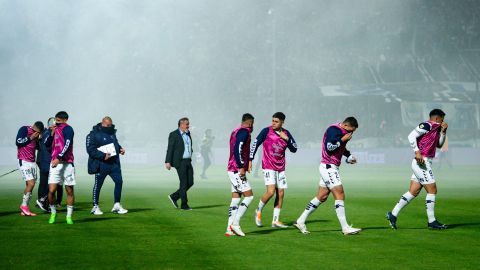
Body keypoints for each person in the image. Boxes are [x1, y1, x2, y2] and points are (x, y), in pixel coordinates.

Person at [293, 117, 362, 235]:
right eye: (351, 130)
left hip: (329, 166)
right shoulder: (334, 130)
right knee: (339, 193)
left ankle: (300, 220)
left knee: (322, 196)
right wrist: (342, 140)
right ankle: (345, 228)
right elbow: (329, 147)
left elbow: (340, 147)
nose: (351, 133)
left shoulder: (340, 132)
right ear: (345, 126)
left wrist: (348, 155)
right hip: (329, 166)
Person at [387, 109, 448, 230]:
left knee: (413, 192)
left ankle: (393, 214)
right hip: (422, 161)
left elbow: (439, 145)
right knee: (432, 190)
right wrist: (417, 152)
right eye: (442, 119)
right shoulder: (427, 125)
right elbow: (411, 136)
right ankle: (432, 221)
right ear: (437, 118)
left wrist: (444, 132)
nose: (443, 121)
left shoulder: (436, 129)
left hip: (424, 162)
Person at [249, 112, 297, 228]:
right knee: (271, 192)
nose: (273, 123)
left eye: (276, 121)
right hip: (268, 166)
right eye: (273, 121)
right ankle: (258, 211)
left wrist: (287, 140)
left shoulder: (286, 133)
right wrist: (250, 159)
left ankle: (275, 220)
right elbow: (255, 144)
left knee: (280, 193)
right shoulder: (266, 131)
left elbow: (294, 148)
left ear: (282, 122)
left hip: (280, 168)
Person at [86, 116, 128, 215]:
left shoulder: (112, 132)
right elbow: (90, 150)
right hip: (101, 164)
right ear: (102, 123)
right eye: (108, 125)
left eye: (111, 125)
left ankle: (117, 205)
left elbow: (115, 143)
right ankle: (95, 207)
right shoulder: (93, 134)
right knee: (98, 185)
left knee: (119, 182)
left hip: (114, 164)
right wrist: (103, 155)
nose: (110, 127)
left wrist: (120, 148)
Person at [226, 113, 255, 237]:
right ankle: (235, 224)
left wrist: (247, 161)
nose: (253, 126)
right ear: (249, 123)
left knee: (236, 198)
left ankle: (229, 228)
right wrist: (240, 166)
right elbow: (238, 147)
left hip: (232, 168)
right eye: (253, 124)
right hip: (236, 169)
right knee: (249, 196)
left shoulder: (235, 130)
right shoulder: (244, 132)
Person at [47, 111, 76, 225]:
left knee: (69, 190)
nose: (57, 122)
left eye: (59, 121)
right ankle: (53, 213)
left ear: (65, 120)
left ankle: (69, 216)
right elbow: (46, 144)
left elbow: (67, 143)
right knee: (51, 191)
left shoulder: (68, 129)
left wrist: (59, 157)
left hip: (67, 163)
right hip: (55, 163)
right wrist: (51, 134)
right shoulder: (53, 129)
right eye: (56, 120)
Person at [16, 120, 44, 216]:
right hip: (23, 160)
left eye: (39, 133)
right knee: (31, 184)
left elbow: (36, 147)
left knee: (30, 184)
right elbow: (18, 142)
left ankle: (24, 209)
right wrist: (31, 137)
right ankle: (23, 206)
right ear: (34, 127)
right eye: (37, 132)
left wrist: (38, 140)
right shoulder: (24, 129)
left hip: (32, 161)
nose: (37, 134)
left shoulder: (37, 135)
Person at [165, 117, 194, 210]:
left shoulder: (188, 133)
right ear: (181, 125)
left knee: (190, 182)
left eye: (188, 124)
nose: (188, 126)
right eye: (187, 124)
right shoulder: (174, 134)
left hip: (188, 161)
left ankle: (174, 196)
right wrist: (168, 161)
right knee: (184, 183)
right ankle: (184, 205)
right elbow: (170, 148)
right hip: (180, 162)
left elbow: (189, 146)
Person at [36, 117, 63, 212]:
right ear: (52, 125)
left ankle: (44, 203)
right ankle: (43, 201)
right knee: (51, 184)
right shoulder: (48, 134)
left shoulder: (46, 133)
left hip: (45, 162)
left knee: (45, 184)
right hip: (47, 163)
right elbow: (48, 147)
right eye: (57, 125)